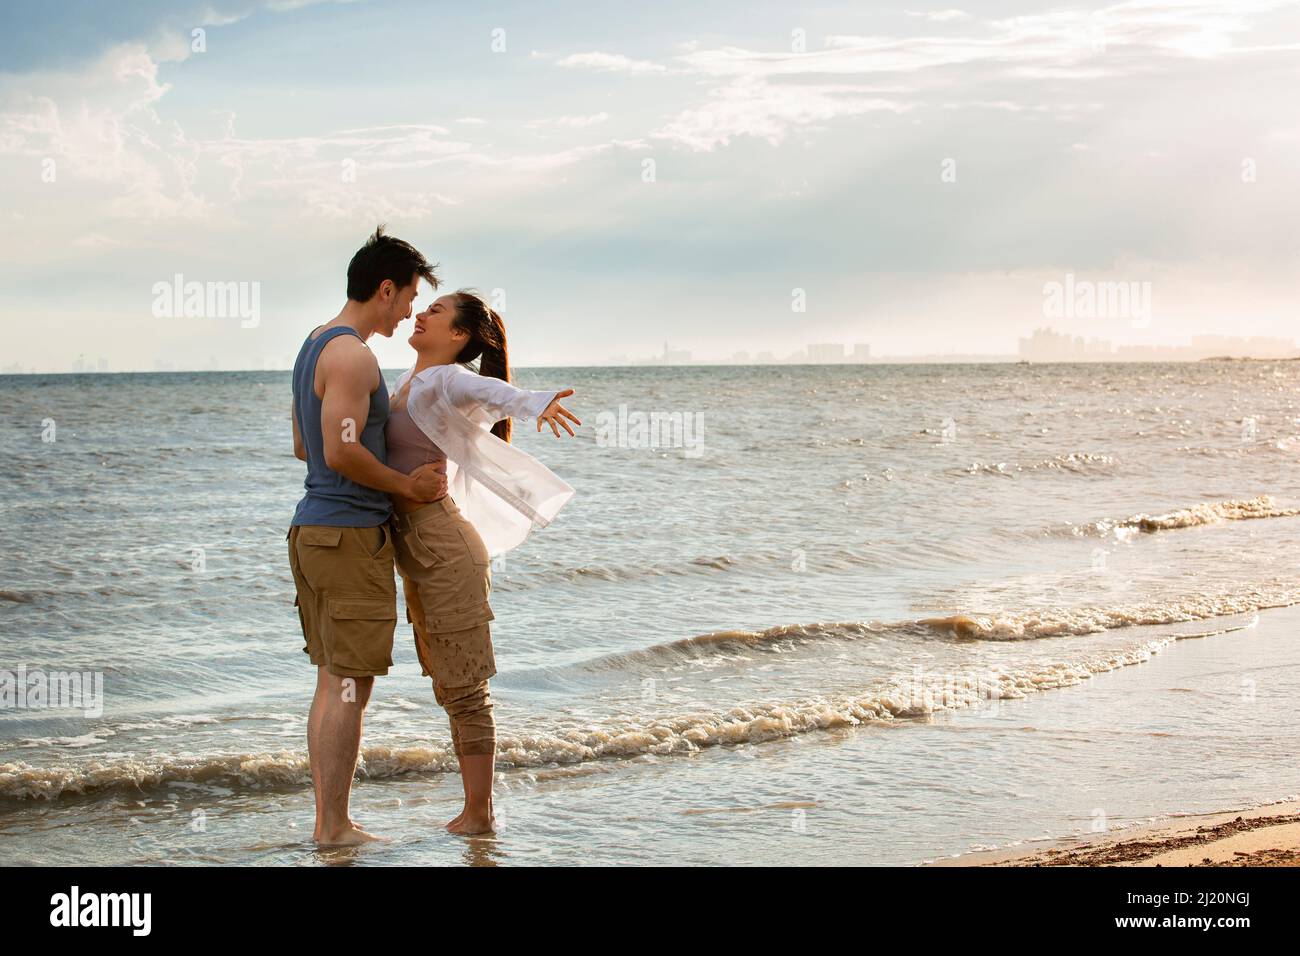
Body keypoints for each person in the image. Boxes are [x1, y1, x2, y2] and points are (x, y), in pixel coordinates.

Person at [387, 289, 580, 834]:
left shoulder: (446, 379)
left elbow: (488, 389)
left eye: (437, 311)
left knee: (466, 685)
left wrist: (535, 401)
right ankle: (474, 809)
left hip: (445, 550)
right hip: (420, 552)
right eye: (424, 307)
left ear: (460, 337)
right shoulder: (408, 383)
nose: (422, 312)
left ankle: (480, 815)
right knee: (446, 684)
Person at [287, 226, 447, 846]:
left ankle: (331, 823)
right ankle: (334, 827)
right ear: (385, 288)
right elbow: (340, 449)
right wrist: (405, 487)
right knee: (348, 682)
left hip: (316, 530)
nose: (410, 310)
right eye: (408, 296)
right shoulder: (353, 355)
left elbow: (305, 445)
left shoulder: (313, 345)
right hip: (348, 533)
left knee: (334, 679)